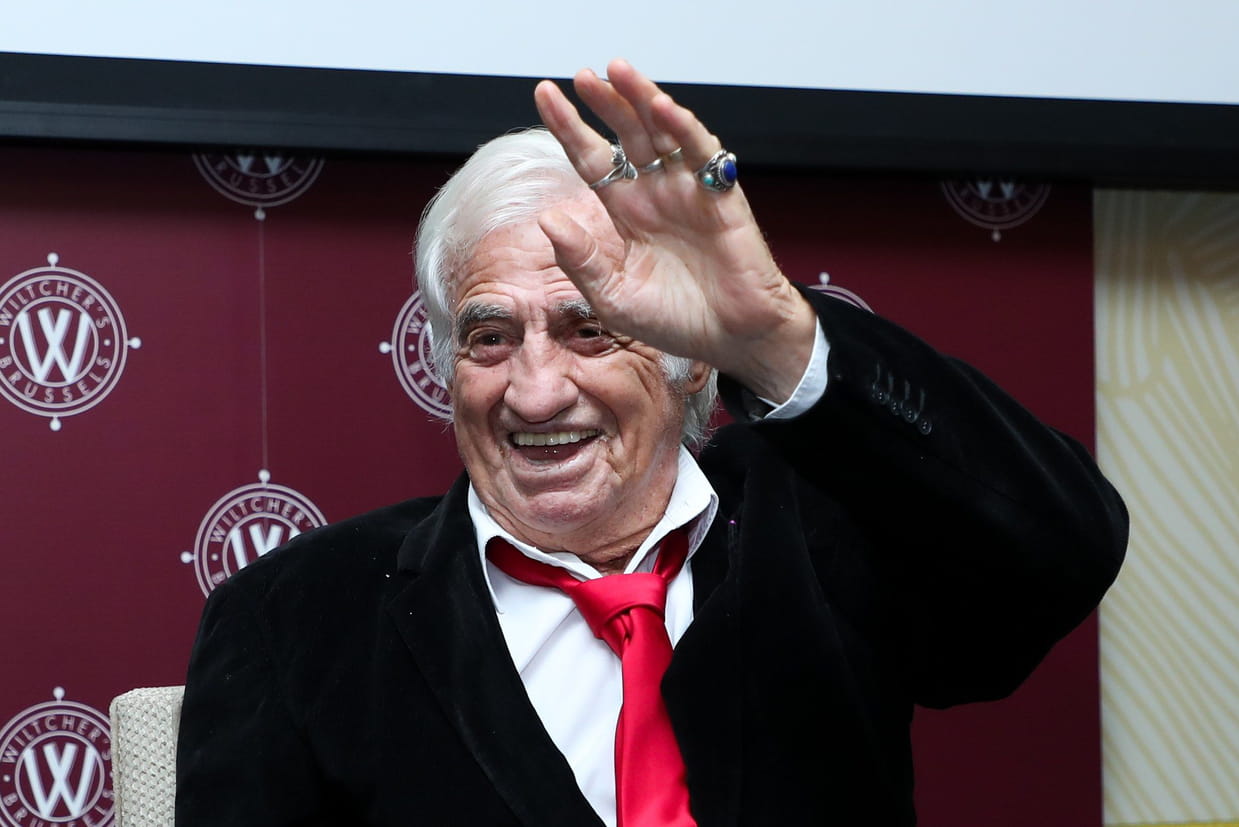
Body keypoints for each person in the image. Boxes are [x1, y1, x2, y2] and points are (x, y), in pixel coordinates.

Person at [176, 59, 1127, 826]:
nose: (536, 390)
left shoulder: (829, 523)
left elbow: (1066, 543)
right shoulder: (296, 619)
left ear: (689, 355)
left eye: (591, 329)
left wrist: (776, 336)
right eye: (489, 336)